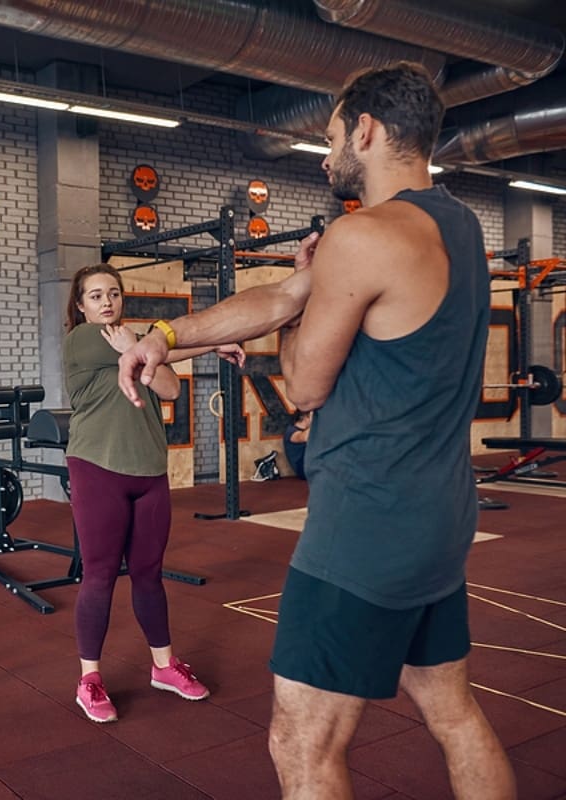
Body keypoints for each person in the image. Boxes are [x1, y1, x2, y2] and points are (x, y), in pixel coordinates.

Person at [116, 62, 514, 799]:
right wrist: (165, 335)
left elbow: (302, 385)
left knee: (301, 745)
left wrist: (311, 300)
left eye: (331, 138)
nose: (327, 156)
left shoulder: (364, 238)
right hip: (438, 515)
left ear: (366, 130)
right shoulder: (457, 225)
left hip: (366, 524)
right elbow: (279, 295)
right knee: (453, 713)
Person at [64, 263, 245, 723]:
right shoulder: (84, 340)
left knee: (148, 573)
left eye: (115, 293)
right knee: (100, 574)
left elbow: (162, 367)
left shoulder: (131, 338)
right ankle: (90, 680)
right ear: (80, 305)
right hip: (97, 467)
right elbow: (163, 368)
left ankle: (164, 666)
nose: (108, 302)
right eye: (96, 295)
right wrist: (166, 348)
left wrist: (215, 343)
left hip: (148, 471)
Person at [282, 410, 312, 480]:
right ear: (305, 417)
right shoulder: (291, 432)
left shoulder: (304, 430)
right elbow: (305, 437)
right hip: (303, 468)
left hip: (311, 465)